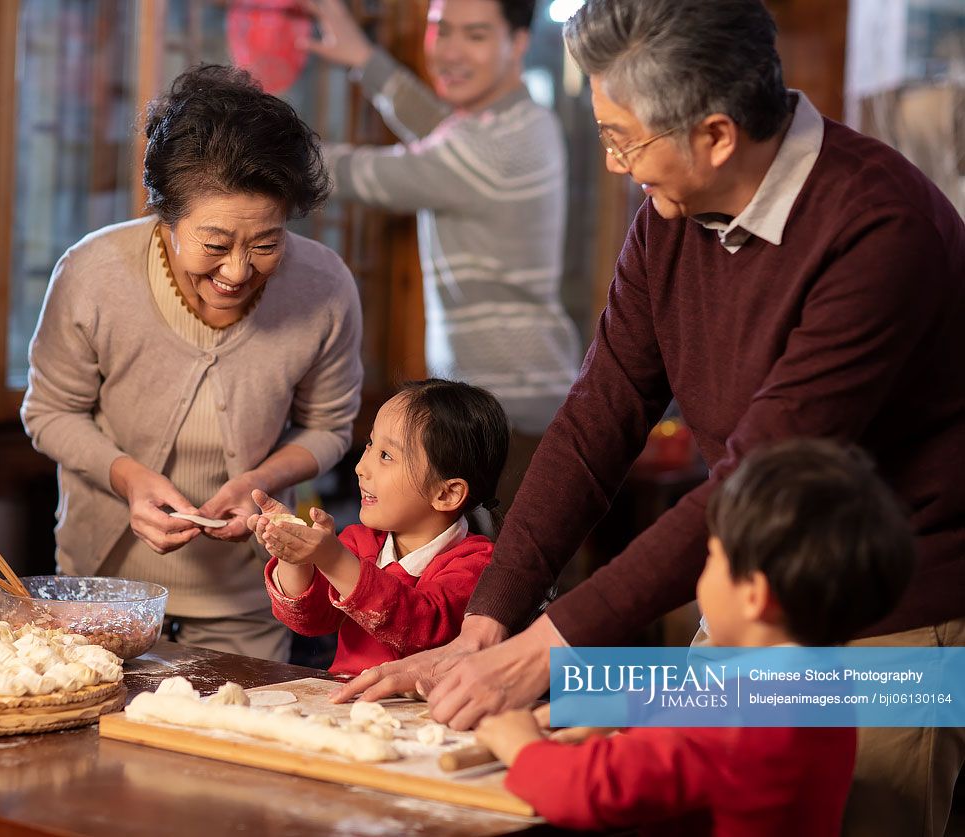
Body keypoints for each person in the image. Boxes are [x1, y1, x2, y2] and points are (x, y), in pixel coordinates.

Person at [334, 1, 965, 833]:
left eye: (623, 139)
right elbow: (599, 414)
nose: (613, 164)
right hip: (752, 596)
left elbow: (753, 476)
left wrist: (540, 652)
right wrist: (487, 622)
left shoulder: (879, 226)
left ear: (714, 135)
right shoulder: (669, 212)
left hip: (888, 619)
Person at [21, 66, 363, 663]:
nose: (236, 271)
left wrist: (259, 481)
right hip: (101, 588)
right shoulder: (94, 272)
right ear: (167, 217)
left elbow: (331, 426)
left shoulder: (324, 286)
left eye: (265, 245)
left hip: (249, 596)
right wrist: (129, 478)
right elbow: (49, 412)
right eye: (214, 244)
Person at [475, 439, 916, 836]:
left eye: (712, 557)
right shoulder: (820, 685)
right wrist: (615, 707)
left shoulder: (735, 722)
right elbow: (702, 700)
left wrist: (522, 745)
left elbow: (588, 791)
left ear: (754, 596)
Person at [306, 0, 579, 506]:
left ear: (518, 43)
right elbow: (438, 128)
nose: (450, 51)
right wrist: (363, 57)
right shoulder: (512, 122)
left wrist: (254, 144)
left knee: (501, 584)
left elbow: (371, 173)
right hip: (508, 406)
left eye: (474, 35)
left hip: (510, 417)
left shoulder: (498, 146)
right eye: (441, 30)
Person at [251, 379, 508, 675]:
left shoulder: (477, 563)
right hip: (350, 705)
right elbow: (309, 621)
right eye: (371, 445)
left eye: (386, 456)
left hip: (425, 713)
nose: (361, 467)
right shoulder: (359, 542)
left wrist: (333, 560)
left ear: (446, 494)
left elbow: (420, 627)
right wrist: (292, 556)